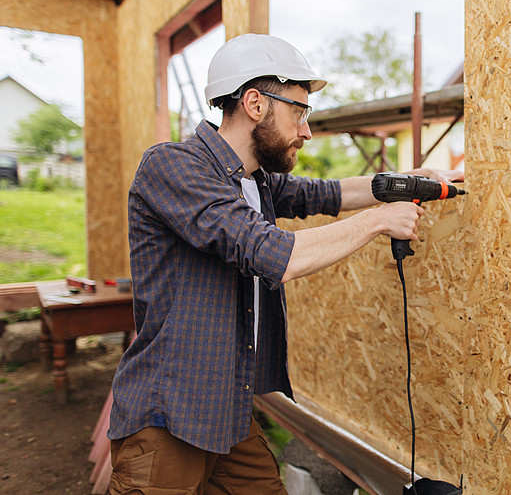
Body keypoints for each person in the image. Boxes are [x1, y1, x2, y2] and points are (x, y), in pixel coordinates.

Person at [107, 33, 462, 494]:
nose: (307, 130)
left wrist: (410, 181)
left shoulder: (255, 181)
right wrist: (379, 221)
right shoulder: (173, 167)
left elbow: (327, 194)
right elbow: (274, 254)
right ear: (255, 103)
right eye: (299, 112)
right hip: (168, 415)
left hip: (226, 412)